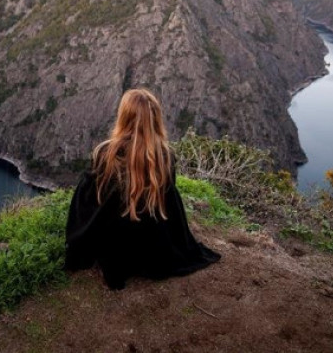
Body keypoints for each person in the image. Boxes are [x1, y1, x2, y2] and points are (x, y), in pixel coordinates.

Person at [64, 88, 220, 290]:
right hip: (152, 246)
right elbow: (169, 205)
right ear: (155, 120)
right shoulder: (165, 156)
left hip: (116, 245)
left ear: (124, 117)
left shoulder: (106, 153)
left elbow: (89, 202)